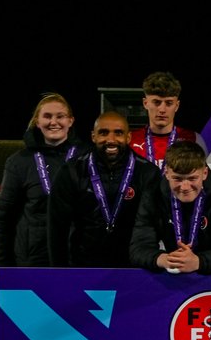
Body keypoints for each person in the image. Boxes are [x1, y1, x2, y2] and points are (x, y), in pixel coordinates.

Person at [48, 111, 161, 267]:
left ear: (128, 137)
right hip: (84, 267)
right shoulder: (72, 171)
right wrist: (58, 271)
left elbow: (153, 226)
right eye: (103, 133)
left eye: (118, 133)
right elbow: (57, 228)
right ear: (93, 136)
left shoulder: (147, 172)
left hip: (132, 268)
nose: (111, 139)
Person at [0, 93, 92, 270]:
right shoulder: (19, 162)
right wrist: (1, 265)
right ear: (37, 122)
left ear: (70, 121)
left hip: (77, 258)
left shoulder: (88, 157)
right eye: (47, 116)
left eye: (60, 116)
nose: (54, 122)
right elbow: (4, 218)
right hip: (32, 260)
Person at [129, 141, 211, 274]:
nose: (185, 187)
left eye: (192, 178)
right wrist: (163, 259)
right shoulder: (153, 194)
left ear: (204, 173)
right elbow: (138, 247)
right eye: (177, 179)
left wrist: (199, 262)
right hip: (169, 276)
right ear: (166, 173)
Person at [130, 71, 206, 167]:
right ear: (145, 103)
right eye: (156, 102)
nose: (162, 109)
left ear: (177, 105)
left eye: (169, 103)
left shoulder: (193, 139)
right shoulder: (130, 140)